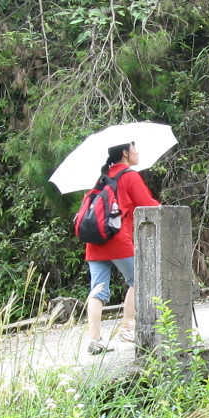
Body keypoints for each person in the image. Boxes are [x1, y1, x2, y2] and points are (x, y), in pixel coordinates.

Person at [80, 141, 158, 355]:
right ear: (125, 153)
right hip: (117, 240)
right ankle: (127, 326)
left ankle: (95, 340)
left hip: (95, 241)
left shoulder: (101, 177)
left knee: (97, 290)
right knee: (138, 280)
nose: (138, 152)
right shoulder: (129, 175)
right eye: (134, 149)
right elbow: (149, 205)